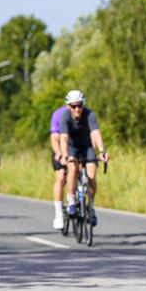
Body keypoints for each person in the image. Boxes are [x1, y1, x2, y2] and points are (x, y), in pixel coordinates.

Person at [49, 89, 109, 229]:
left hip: (86, 146)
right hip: (71, 147)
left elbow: (95, 133)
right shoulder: (64, 116)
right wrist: (65, 156)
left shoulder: (89, 114)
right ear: (68, 106)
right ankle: (71, 200)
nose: (77, 109)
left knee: (92, 176)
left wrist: (102, 150)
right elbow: (63, 138)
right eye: (74, 106)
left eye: (80, 105)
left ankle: (91, 208)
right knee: (73, 168)